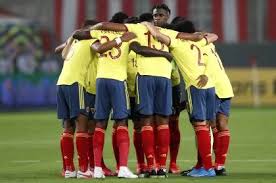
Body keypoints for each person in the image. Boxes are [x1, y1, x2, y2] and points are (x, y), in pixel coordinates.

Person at [143, 20, 218, 177]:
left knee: (200, 127)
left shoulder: (177, 41)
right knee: (207, 127)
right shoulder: (202, 42)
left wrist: (146, 24)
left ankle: (208, 168)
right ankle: (201, 165)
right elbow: (214, 36)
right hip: (210, 86)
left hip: (195, 86)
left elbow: (156, 34)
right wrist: (200, 35)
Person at [74, 26, 138, 179]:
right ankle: (122, 167)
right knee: (122, 121)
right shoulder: (128, 33)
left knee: (100, 123)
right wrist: (122, 39)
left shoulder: (100, 32)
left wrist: (96, 27)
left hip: (101, 81)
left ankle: (96, 169)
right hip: (117, 80)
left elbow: (79, 34)